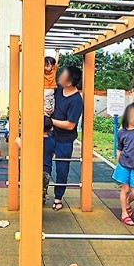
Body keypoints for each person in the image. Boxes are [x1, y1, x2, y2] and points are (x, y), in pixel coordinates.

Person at [47, 64, 83, 211]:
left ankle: (58, 197)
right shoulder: (58, 90)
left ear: (69, 82)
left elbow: (70, 125)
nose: (60, 77)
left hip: (65, 139)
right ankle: (41, 192)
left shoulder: (76, 100)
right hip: (50, 134)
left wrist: (50, 121)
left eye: (63, 76)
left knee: (62, 169)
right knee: (44, 165)